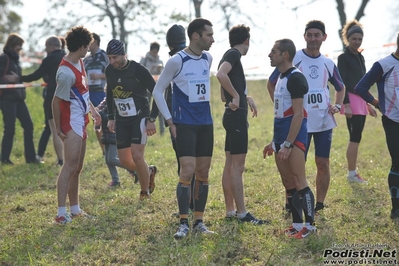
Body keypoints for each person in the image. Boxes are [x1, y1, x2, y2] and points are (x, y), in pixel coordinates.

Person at [267, 20, 345, 214]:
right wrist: (282, 108)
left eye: (317, 35)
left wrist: (337, 105)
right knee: (294, 166)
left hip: (323, 121)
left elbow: (341, 88)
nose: (313, 39)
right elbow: (271, 84)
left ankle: (318, 205)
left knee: (322, 163)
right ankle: (291, 204)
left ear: (324, 38)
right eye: (309, 35)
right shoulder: (295, 59)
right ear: (304, 37)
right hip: (300, 122)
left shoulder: (327, 62)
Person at [153, 18, 215, 239]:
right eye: (209, 35)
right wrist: (169, 120)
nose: (213, 39)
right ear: (196, 36)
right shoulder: (176, 61)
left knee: (203, 173)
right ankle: (183, 223)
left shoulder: (208, 58)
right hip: (184, 124)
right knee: (187, 170)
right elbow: (157, 92)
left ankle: (199, 221)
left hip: (206, 124)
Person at [263, 38, 316, 238]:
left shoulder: (295, 78)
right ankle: (296, 223)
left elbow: (298, 114)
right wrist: (274, 142)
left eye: (273, 51)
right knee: (288, 182)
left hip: (294, 138)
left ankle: (310, 227)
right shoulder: (280, 78)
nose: (270, 55)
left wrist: (287, 144)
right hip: (281, 138)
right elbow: (280, 114)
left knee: (299, 180)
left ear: (284, 54)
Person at [216, 24, 268, 225]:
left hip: (231, 115)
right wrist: (237, 95)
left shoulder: (227, 54)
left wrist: (244, 96)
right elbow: (220, 75)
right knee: (238, 166)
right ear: (247, 40)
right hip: (236, 118)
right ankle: (242, 213)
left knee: (230, 164)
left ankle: (230, 211)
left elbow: (222, 92)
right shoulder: (234, 55)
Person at [52, 26, 101, 224]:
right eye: (87, 47)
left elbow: (82, 93)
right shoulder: (65, 72)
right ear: (81, 47)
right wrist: (58, 129)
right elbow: (56, 101)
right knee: (69, 166)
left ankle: (75, 209)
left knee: (78, 167)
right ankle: (60, 213)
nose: (89, 50)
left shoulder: (80, 62)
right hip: (70, 121)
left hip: (82, 119)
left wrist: (94, 110)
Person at [105, 39, 158, 200]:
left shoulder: (138, 69)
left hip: (139, 117)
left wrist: (152, 118)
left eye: (115, 57)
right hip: (122, 120)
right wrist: (111, 117)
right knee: (125, 160)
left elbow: (157, 92)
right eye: (109, 58)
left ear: (124, 54)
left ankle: (144, 192)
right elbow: (110, 94)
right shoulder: (109, 70)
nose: (112, 61)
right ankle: (148, 171)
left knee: (137, 156)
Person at [355, 32, 399, 224]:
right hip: (392, 120)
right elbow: (361, 87)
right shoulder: (384, 65)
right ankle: (396, 209)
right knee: (398, 162)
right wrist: (377, 103)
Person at [337, 20, 377, 183]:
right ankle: (351, 174)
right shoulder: (343, 57)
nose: (357, 42)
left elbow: (363, 82)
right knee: (354, 137)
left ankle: (353, 172)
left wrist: (368, 104)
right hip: (350, 101)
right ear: (347, 38)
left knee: (357, 136)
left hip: (361, 101)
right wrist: (346, 104)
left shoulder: (360, 57)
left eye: (359, 39)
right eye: (354, 38)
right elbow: (342, 81)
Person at [165, 24, 196, 217]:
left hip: (178, 120)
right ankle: (191, 204)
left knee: (184, 163)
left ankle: (189, 205)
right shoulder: (192, 58)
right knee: (190, 164)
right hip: (195, 119)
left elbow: (164, 92)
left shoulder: (175, 61)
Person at [22, 36, 65, 166]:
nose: (46, 50)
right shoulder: (67, 57)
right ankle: (70, 158)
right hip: (68, 96)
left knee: (55, 128)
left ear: (51, 46)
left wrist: (19, 77)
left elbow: (35, 75)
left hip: (53, 97)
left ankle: (61, 160)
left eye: (46, 47)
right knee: (66, 128)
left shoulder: (49, 59)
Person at [0, 33, 39, 165]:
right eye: (19, 45)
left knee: (29, 126)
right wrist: (5, 80)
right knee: (10, 129)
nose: (21, 48)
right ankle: (4, 158)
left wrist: (16, 79)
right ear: (12, 44)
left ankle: (31, 158)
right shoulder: (4, 58)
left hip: (20, 98)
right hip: (7, 99)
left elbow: (17, 78)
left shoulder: (16, 60)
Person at [96, 91, 139, 187]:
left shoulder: (116, 104)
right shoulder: (106, 102)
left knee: (111, 159)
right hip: (106, 135)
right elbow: (99, 108)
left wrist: (100, 113)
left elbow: (111, 118)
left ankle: (134, 168)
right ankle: (115, 180)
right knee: (107, 160)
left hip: (113, 135)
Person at [83, 33, 109, 154]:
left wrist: (99, 76)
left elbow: (113, 73)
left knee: (106, 120)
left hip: (102, 92)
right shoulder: (86, 59)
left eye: (90, 42)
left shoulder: (105, 56)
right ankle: (103, 150)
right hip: (89, 93)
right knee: (96, 122)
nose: (88, 45)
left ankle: (111, 148)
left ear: (96, 42)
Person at [140, 41, 165, 135]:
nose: (155, 54)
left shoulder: (160, 61)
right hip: (146, 89)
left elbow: (163, 74)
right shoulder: (144, 60)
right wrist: (150, 70)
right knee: (146, 109)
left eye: (156, 52)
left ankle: (162, 131)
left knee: (159, 109)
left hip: (157, 88)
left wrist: (160, 70)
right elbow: (140, 73)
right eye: (153, 52)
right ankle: (145, 129)